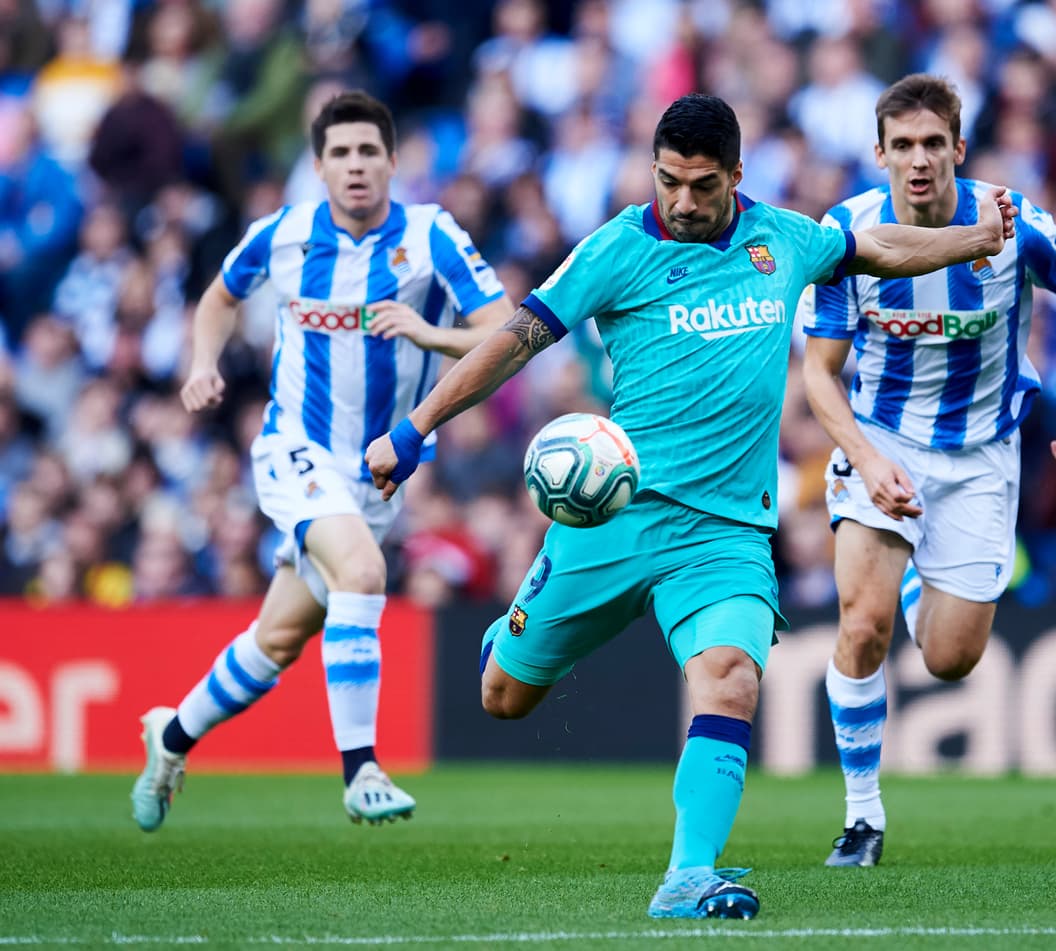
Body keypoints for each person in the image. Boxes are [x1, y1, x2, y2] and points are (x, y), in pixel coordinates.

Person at [365, 93, 1015, 918]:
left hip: (724, 535)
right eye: (668, 180)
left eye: (701, 185)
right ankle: (516, 635)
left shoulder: (780, 238)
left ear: (736, 177)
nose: (681, 201)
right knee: (503, 695)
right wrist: (417, 427)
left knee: (732, 677)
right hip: (613, 517)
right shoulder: (616, 249)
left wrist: (972, 238)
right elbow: (514, 340)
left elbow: (875, 245)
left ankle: (688, 876)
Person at [129, 90, 513, 831]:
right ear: (319, 166)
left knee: (276, 640)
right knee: (363, 573)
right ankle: (361, 768)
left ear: (394, 162)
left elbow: (506, 332)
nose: (356, 165)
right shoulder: (284, 234)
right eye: (341, 153)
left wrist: (431, 337)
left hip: (377, 474)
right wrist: (202, 362)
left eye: (370, 151)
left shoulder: (432, 238)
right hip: (293, 449)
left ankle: (170, 735)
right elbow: (216, 298)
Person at [801, 73, 1056, 868]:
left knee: (950, 658)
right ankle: (861, 818)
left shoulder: (1014, 222)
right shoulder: (848, 234)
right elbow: (819, 374)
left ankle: (914, 574)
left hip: (980, 455)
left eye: (934, 143)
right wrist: (865, 459)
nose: (919, 159)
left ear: (958, 150)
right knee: (860, 625)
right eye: (902, 145)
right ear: (880, 154)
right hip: (882, 438)